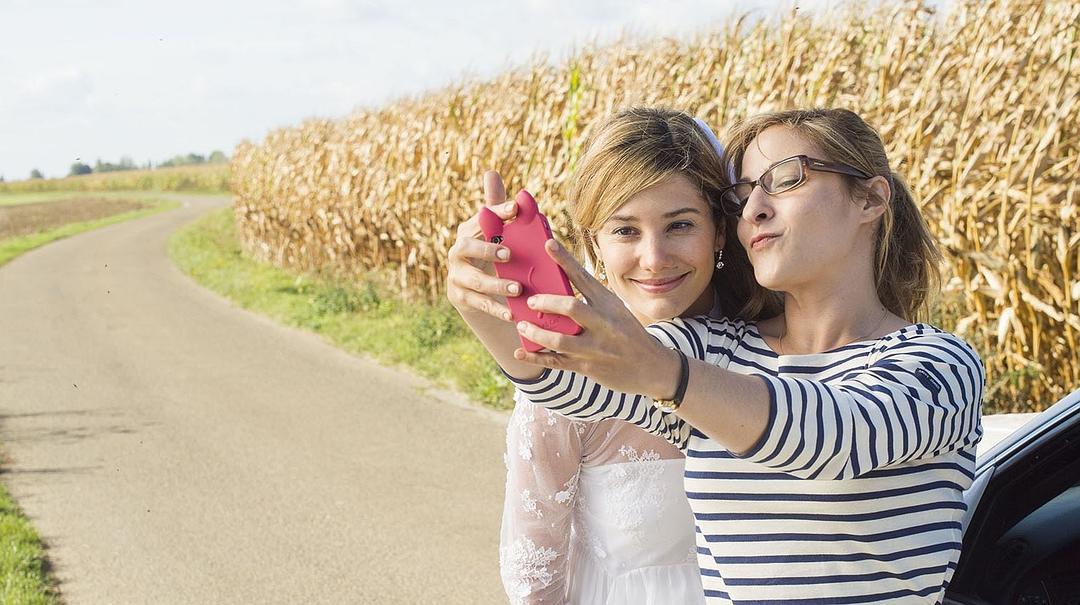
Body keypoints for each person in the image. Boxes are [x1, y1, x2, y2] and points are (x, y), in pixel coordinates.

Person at [450, 108, 984, 604]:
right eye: (745, 193)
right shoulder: (718, 349)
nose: (755, 207)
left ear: (870, 199)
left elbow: (833, 438)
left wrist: (664, 374)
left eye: (786, 178)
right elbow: (572, 384)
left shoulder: (940, 364)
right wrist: (488, 307)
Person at [449, 108, 775, 604]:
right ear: (593, 244)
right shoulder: (565, 384)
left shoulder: (779, 348)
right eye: (625, 230)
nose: (654, 257)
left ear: (720, 231)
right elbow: (535, 577)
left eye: (680, 225)